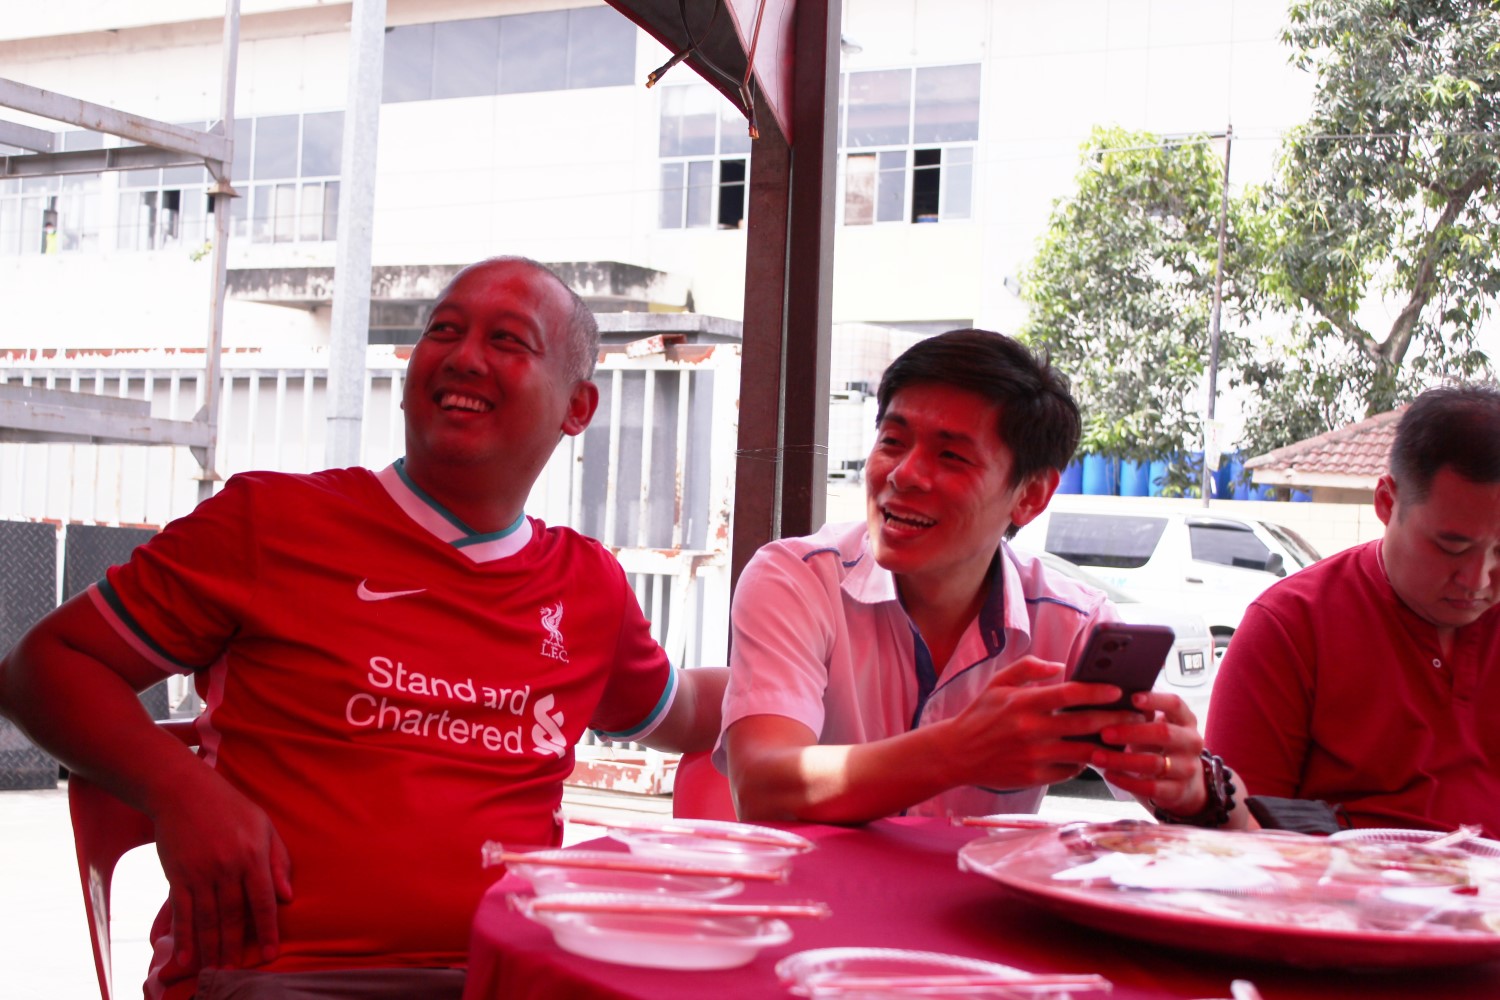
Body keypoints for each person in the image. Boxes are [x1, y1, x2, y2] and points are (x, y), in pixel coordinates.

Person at [0, 256, 725, 999]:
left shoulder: (586, 586)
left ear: (578, 408)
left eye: (509, 341)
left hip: (503, 974)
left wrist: (820, 678)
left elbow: (691, 711)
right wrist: (181, 791)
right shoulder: (270, 525)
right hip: (277, 979)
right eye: (444, 330)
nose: (464, 356)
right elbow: (42, 668)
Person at [718, 329, 1244, 827]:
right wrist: (959, 750)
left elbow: (1238, 834)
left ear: (1031, 495)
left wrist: (1191, 790)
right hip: (818, 911)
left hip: (980, 914)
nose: (903, 474)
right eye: (893, 441)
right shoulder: (796, 580)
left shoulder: (1072, 625)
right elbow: (763, 786)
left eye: (950, 455)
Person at [1207, 383, 1500, 837]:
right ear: (1386, 502)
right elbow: (1236, 837)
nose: (1479, 580)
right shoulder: (1290, 628)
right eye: (1451, 546)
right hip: (1333, 900)